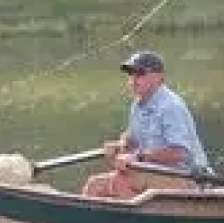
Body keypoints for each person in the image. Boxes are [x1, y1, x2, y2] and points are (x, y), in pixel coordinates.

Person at [81, 50, 211, 199]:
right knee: (94, 184)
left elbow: (178, 153)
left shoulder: (171, 106)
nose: (133, 79)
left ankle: (132, 214)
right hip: (154, 172)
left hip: (187, 177)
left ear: (158, 77)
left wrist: (138, 157)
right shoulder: (138, 104)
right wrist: (120, 146)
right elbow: (131, 140)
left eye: (140, 74)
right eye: (131, 74)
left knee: (122, 181)